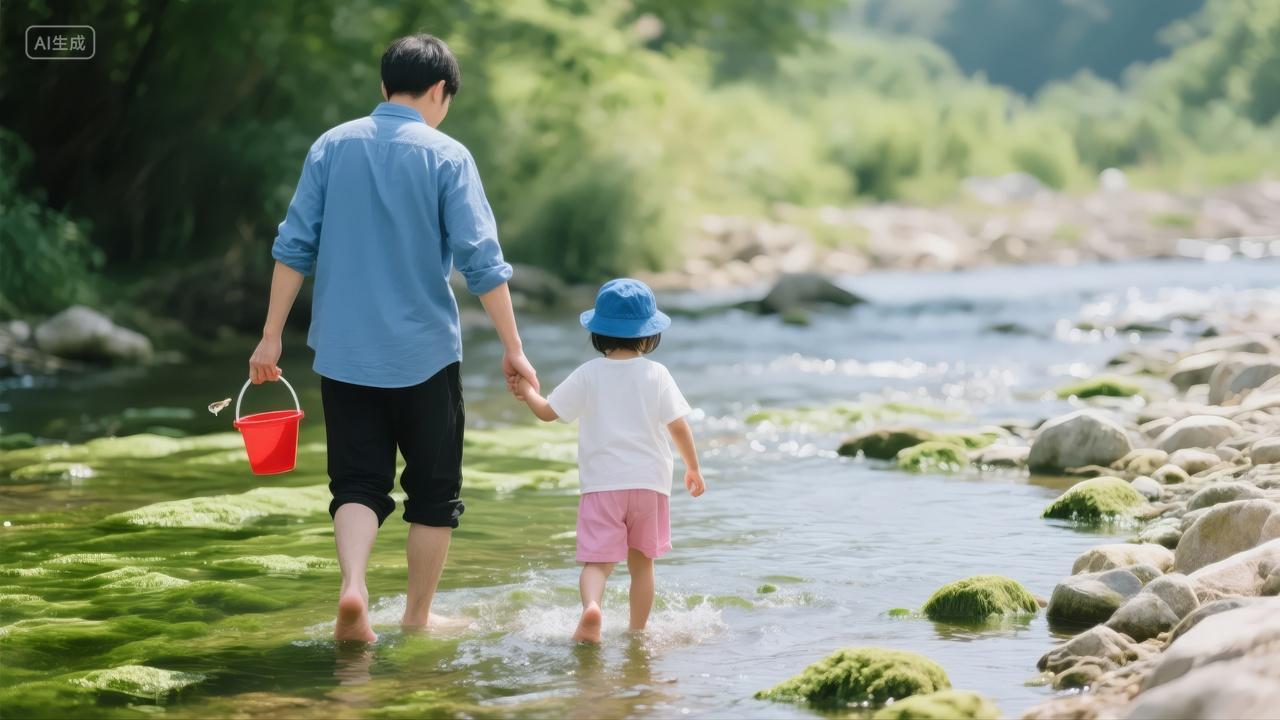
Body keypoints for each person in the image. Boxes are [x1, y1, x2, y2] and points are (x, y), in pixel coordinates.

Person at [247, 34, 538, 643]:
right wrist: (514, 348)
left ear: (384, 86)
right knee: (434, 494)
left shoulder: (331, 146)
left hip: (344, 354)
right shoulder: (448, 156)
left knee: (356, 483)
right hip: (425, 355)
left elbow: (293, 247)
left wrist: (270, 337)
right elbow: (483, 262)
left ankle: (354, 587)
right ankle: (416, 617)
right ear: (440, 91)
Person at [514, 278, 706, 643]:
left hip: (603, 486)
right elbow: (678, 426)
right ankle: (638, 633)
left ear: (597, 333)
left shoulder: (589, 373)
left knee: (597, 564)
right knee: (642, 566)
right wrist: (692, 467)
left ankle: (592, 609)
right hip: (649, 485)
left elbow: (547, 412)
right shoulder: (657, 373)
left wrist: (525, 389)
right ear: (649, 336)